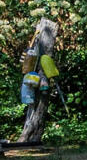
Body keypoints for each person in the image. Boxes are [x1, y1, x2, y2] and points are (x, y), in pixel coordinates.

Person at [18, 16, 61, 146]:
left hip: (39, 75)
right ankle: (29, 133)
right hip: (33, 74)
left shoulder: (44, 56)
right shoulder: (32, 50)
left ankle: (32, 134)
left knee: (39, 95)